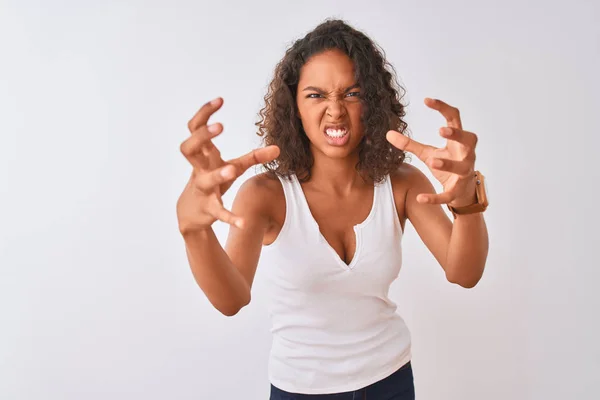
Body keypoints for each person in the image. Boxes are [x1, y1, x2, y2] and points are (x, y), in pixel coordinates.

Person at [176, 19, 489, 400]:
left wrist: (466, 197)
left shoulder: (402, 183)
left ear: (371, 101)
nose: (335, 111)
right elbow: (231, 300)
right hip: (300, 390)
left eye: (352, 93)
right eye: (316, 95)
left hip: (390, 380)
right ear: (294, 105)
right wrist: (194, 231)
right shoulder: (265, 194)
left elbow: (464, 273)